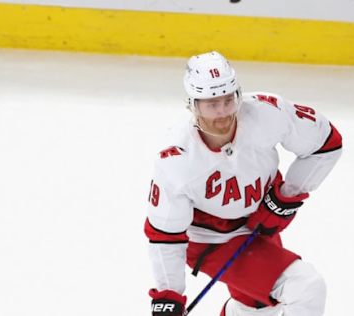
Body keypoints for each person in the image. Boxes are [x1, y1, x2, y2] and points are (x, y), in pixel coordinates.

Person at [144, 51, 342, 316]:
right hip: (211, 242)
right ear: (192, 104)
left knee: (256, 306)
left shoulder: (267, 112)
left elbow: (326, 143)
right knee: (306, 288)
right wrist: (169, 295)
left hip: (259, 229)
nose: (224, 112)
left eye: (229, 99)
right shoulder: (176, 158)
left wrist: (284, 197)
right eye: (212, 103)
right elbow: (164, 235)